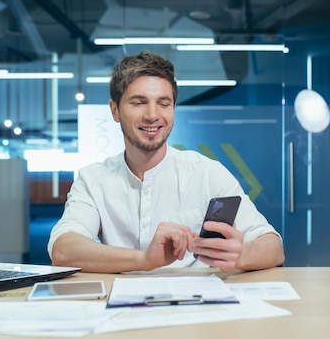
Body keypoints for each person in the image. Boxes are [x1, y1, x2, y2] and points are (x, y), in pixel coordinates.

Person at [48, 51, 284, 273]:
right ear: (115, 110)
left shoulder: (206, 173)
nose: (153, 115)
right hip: (121, 308)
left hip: (198, 307)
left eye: (163, 103)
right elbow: (63, 250)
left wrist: (240, 254)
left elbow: (274, 248)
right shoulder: (93, 180)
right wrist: (143, 259)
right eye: (138, 102)